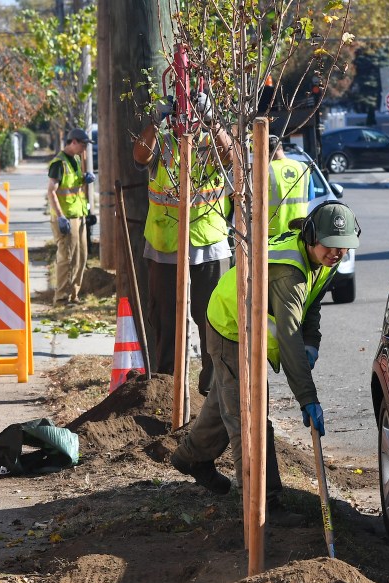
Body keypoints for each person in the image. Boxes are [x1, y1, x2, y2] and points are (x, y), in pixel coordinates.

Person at [171, 201, 359, 526]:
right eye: (330, 246)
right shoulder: (290, 275)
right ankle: (263, 506)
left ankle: (191, 458)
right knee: (250, 418)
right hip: (232, 327)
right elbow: (288, 338)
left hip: (244, 324)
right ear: (312, 237)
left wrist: (312, 343)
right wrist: (308, 398)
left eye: (344, 247)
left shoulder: (320, 260)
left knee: (225, 403)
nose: (337, 253)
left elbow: (310, 307)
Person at [132, 92, 234, 394]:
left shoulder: (210, 142)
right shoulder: (162, 143)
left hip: (209, 246)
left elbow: (231, 158)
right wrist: (154, 118)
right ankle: (167, 393)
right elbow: (139, 155)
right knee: (165, 323)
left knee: (214, 323)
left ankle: (211, 396)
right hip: (165, 247)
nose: (183, 120)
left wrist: (212, 120)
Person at [47, 128, 94, 305]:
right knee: (67, 258)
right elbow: (51, 192)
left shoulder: (74, 160)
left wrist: (83, 179)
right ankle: (61, 297)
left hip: (78, 215)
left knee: (81, 257)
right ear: (73, 142)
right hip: (65, 217)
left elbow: (73, 187)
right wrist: (60, 217)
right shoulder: (58, 164)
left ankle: (73, 295)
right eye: (82, 145)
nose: (84, 149)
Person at [266, 135, 311, 238]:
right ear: (280, 148)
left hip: (273, 233)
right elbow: (311, 197)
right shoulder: (303, 167)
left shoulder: (265, 171)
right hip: (299, 231)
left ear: (265, 151)